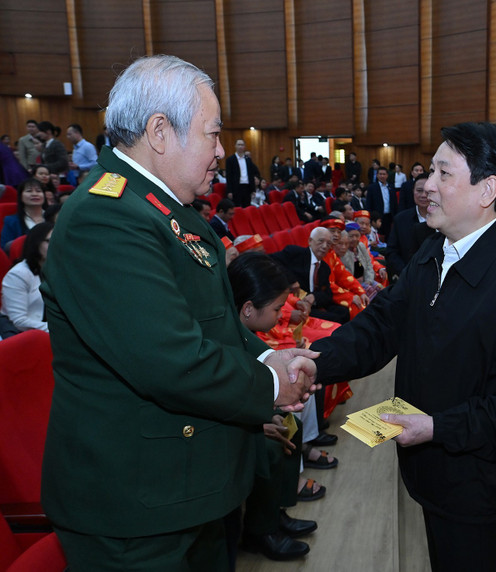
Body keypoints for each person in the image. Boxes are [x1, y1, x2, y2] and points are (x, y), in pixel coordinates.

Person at [39, 54, 318, 571]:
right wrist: (270, 387)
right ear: (160, 132)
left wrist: (267, 359)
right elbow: (168, 358)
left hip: (188, 488)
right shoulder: (105, 218)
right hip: (135, 506)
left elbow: (212, 323)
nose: (220, 152)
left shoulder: (164, 211)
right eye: (212, 135)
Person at [311, 122, 496, 572]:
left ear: (487, 189)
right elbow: (381, 324)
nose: (426, 186)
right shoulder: (435, 251)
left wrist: (438, 427)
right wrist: (316, 363)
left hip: (479, 488)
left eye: (443, 174)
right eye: (430, 172)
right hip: (433, 474)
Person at [228, 252, 318, 562]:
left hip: (243, 410)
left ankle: (275, 513)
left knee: (290, 424)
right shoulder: (221, 334)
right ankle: (259, 531)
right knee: (268, 445)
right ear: (249, 308)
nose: (282, 315)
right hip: (226, 420)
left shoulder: (244, 330)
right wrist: (258, 422)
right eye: (278, 309)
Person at [270, 227, 350, 324]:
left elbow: (328, 295)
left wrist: (314, 297)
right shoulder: (295, 253)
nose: (324, 246)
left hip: (313, 303)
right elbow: (270, 261)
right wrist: (291, 280)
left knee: (344, 312)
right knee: (335, 319)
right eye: (321, 241)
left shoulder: (324, 267)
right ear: (310, 241)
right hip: (295, 303)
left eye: (328, 244)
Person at [1, 221, 52, 333]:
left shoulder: (59, 270)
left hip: (51, 331)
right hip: (23, 333)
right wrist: (56, 330)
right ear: (36, 243)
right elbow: (19, 321)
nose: (55, 245)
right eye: (49, 241)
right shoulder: (18, 274)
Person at [385, 173, 436, 278]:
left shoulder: (442, 219)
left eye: (427, 192)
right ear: (413, 191)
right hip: (406, 277)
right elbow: (391, 252)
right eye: (419, 191)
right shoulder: (401, 219)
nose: (423, 195)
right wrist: (406, 272)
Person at [1, 177, 46, 252]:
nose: (34, 194)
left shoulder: (54, 217)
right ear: (20, 197)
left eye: (38, 191)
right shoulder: (11, 221)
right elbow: (5, 249)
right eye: (29, 191)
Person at [225, 139, 260, 207]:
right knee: (237, 207)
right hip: (236, 187)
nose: (240, 146)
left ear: (244, 147)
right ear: (235, 146)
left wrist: (253, 190)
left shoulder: (248, 160)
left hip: (247, 187)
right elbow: (229, 176)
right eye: (239, 144)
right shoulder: (230, 160)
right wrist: (229, 191)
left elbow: (251, 175)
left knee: (247, 207)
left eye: (242, 145)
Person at [365, 166, 397, 238]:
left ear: (387, 175)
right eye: (380, 174)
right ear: (377, 175)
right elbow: (368, 204)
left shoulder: (391, 187)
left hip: (389, 216)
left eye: (384, 174)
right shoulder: (372, 187)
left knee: (389, 236)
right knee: (378, 236)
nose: (382, 176)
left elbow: (394, 203)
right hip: (377, 216)